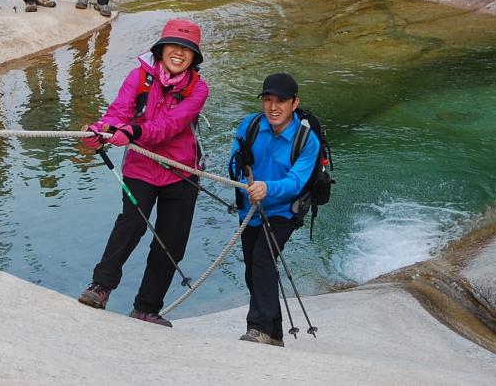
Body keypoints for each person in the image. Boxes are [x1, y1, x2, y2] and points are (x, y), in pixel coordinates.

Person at [78, 19, 209, 326]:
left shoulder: (198, 89)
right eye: (174, 46)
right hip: (141, 166)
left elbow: (170, 126)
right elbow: (118, 113)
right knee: (131, 223)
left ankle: (146, 308)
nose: (179, 53)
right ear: (161, 49)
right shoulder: (139, 77)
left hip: (181, 171)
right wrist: (99, 131)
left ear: (194, 57)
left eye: (187, 50)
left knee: (172, 241)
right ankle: (101, 287)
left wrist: (132, 132)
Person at [228, 72, 320, 347]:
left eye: (281, 100)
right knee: (253, 270)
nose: (273, 106)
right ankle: (275, 334)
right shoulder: (250, 125)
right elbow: (233, 164)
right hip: (250, 210)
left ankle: (256, 328)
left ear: (294, 103)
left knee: (263, 259)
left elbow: (295, 182)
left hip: (284, 210)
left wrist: (267, 188)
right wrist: (243, 177)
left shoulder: (308, 141)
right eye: (268, 99)